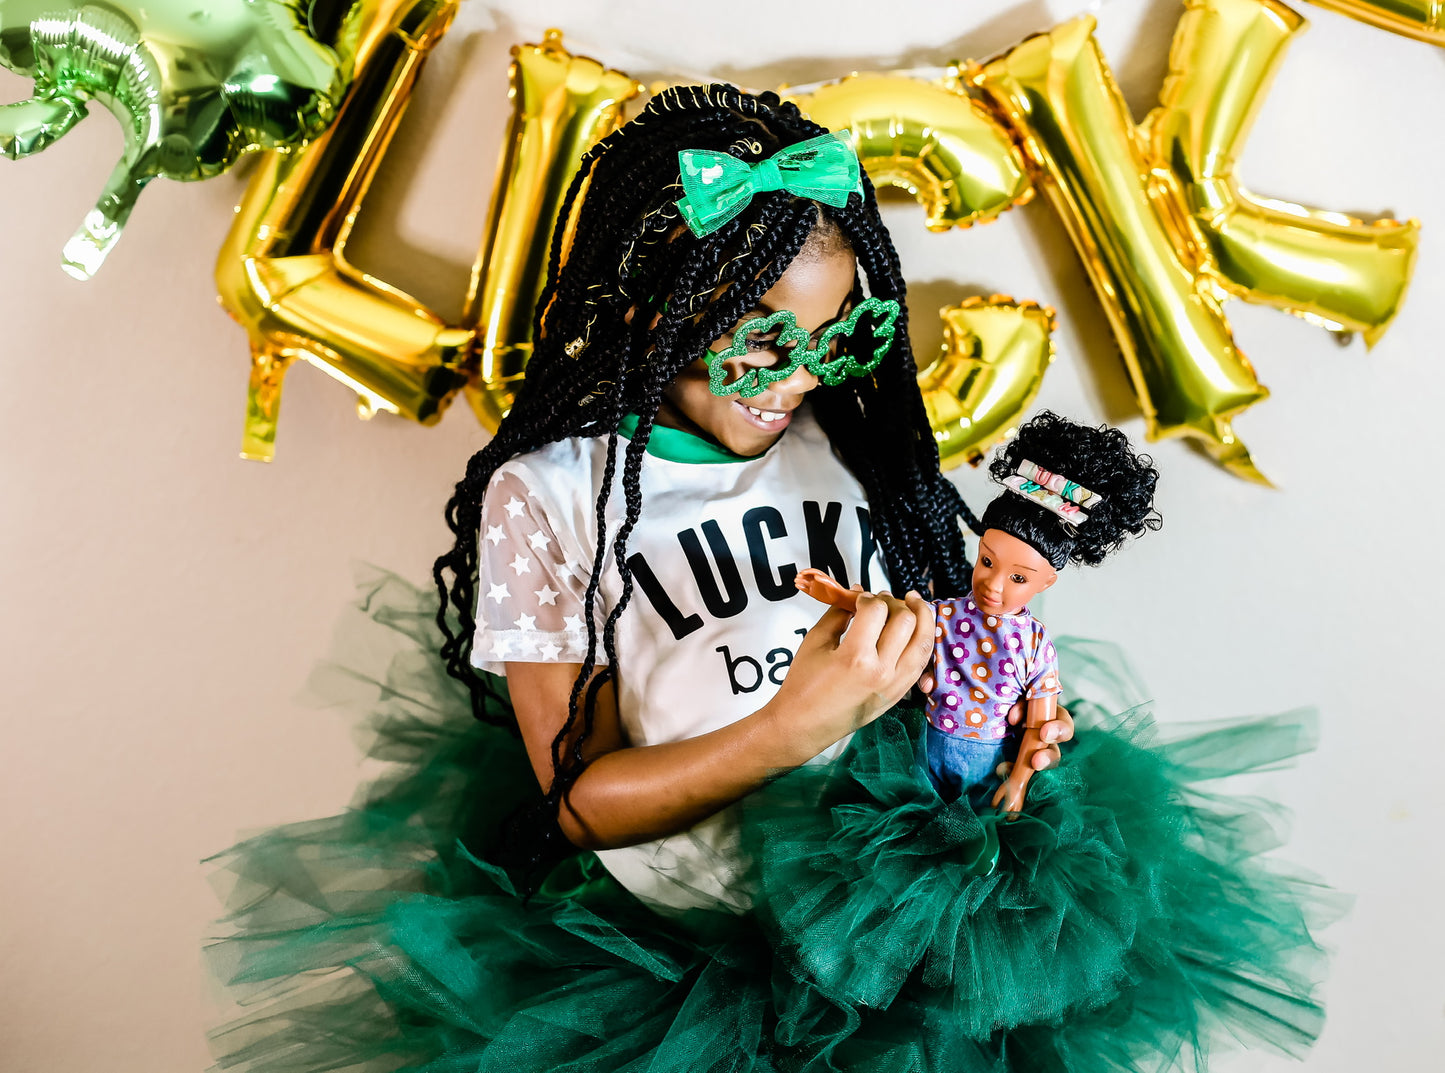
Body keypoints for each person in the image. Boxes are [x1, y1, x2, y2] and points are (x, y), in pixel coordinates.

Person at [208, 85, 1331, 1073]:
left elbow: (935, 646)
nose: (794, 379)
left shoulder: (862, 455)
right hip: (676, 961)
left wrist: (1004, 724)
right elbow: (576, 798)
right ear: (655, 305)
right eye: (758, 342)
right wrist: (788, 729)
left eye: (833, 340)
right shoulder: (550, 495)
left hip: (898, 942)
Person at [795, 411, 1161, 814]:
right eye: (987, 562)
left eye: (1018, 578)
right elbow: (894, 612)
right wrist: (841, 597)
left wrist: (1020, 780)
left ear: (1046, 582)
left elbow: (1039, 723)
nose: (993, 584)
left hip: (989, 767)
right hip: (924, 754)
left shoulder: (1035, 645)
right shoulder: (946, 614)